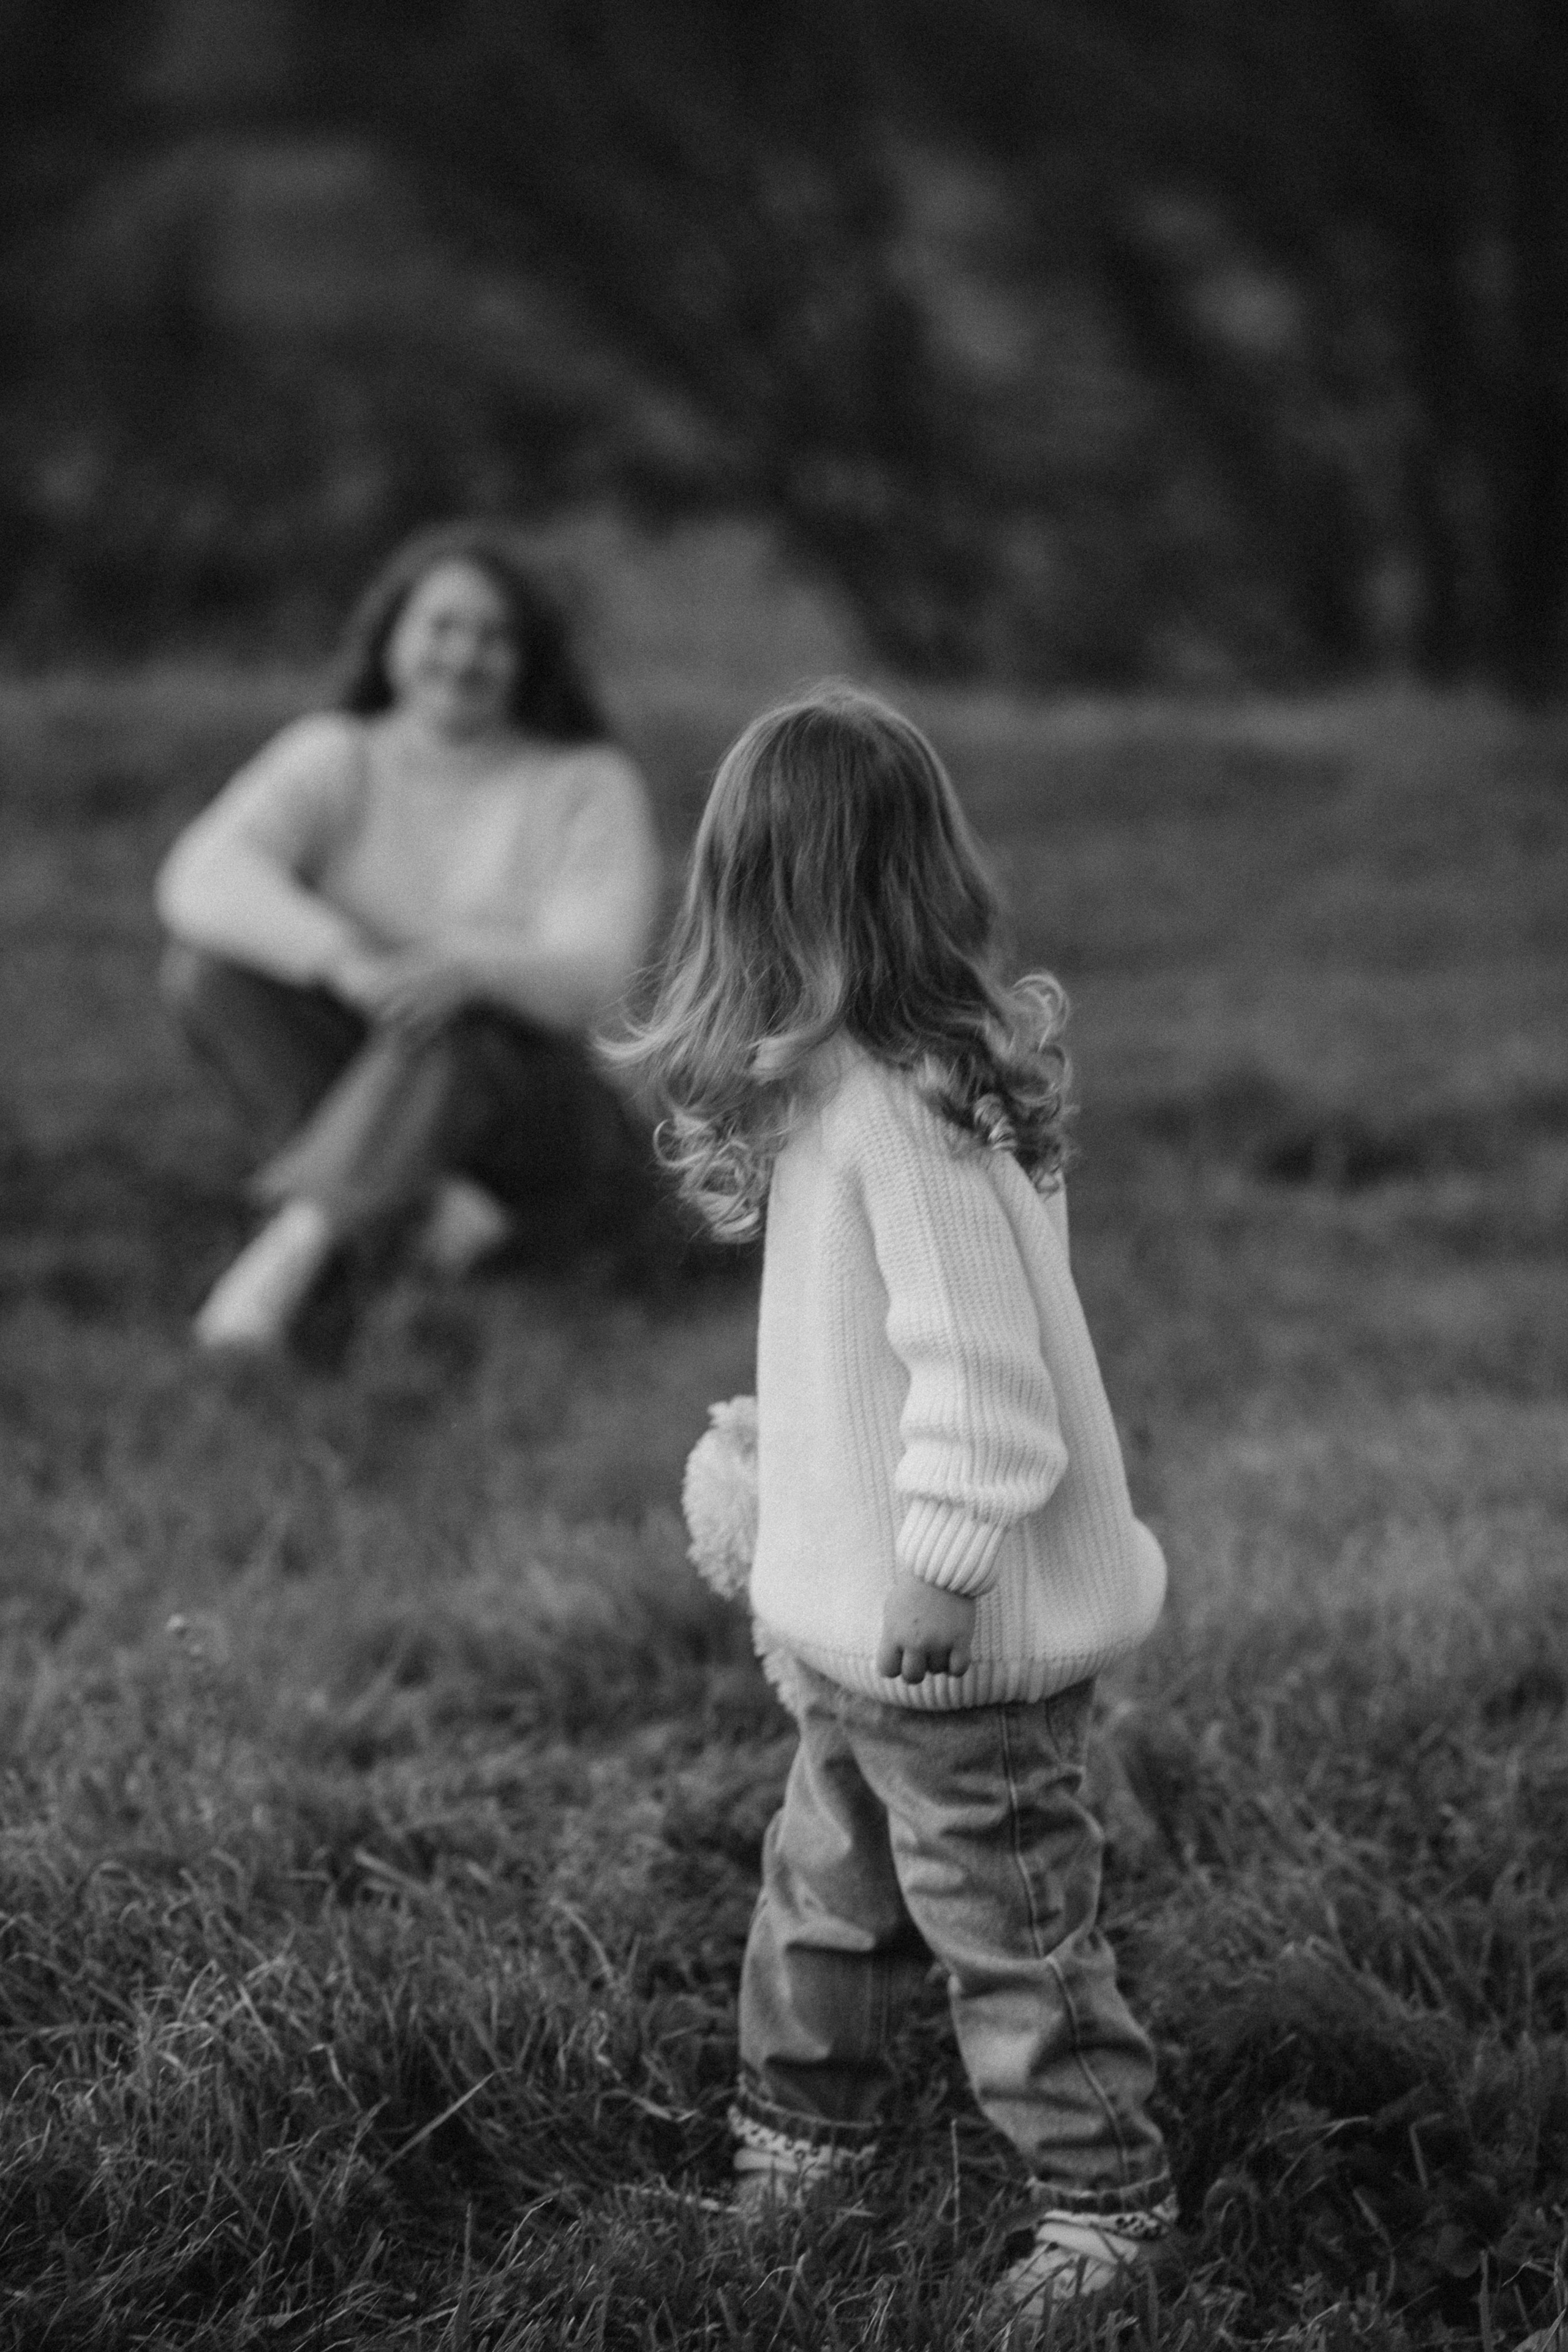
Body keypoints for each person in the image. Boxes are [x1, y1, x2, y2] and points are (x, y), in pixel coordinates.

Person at [616, 687, 1175, 2334]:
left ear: (775, 903)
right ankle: (806, 2136)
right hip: (860, 1643)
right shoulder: (858, 1086)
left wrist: (931, 1567)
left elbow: (985, 1392)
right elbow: (869, 1356)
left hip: (952, 1649)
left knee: (1010, 1931)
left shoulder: (904, 1116)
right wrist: (793, 1461)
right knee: (827, 1895)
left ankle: (1103, 2204)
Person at [156, 522, 662, 1349]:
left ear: (529, 656)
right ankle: (418, 1206)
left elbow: (600, 972)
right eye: (442, 628)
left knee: (444, 1024)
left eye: (494, 637)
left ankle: (292, 1251)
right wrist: (349, 962)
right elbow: (200, 877)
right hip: (380, 1050)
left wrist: (467, 969)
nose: (463, 656)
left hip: (539, 1102)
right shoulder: (336, 756)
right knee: (207, 975)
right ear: (393, 637)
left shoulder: (584, 781)